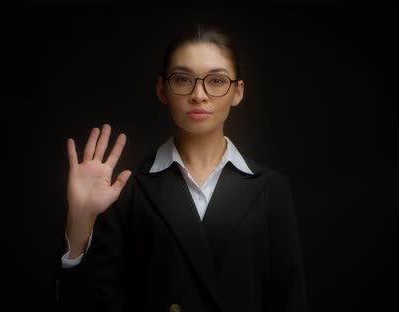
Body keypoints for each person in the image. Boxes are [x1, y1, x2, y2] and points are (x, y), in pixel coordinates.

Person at [56, 24, 308, 312]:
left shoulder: (270, 189)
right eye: (182, 79)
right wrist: (79, 222)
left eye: (216, 81)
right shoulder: (126, 189)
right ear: (162, 89)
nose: (199, 94)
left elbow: (289, 300)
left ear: (237, 92)